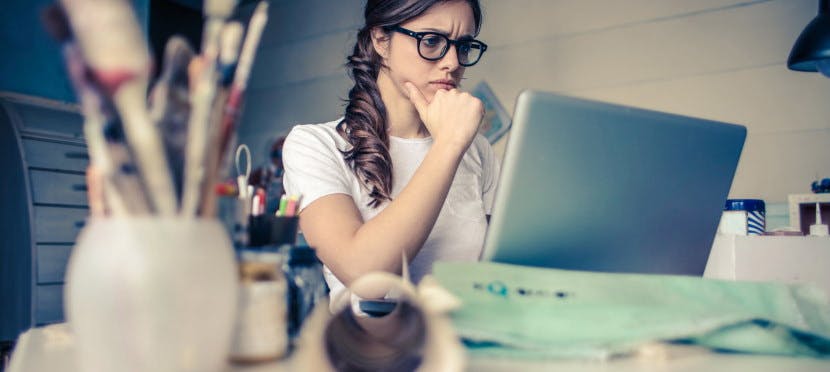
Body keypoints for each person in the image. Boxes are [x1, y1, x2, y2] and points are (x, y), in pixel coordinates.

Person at [282, 0, 498, 303]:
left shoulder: (478, 151)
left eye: (463, 46)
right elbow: (366, 278)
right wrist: (448, 145)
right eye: (432, 41)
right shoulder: (314, 145)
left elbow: (501, 272)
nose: (452, 63)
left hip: (467, 345)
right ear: (381, 40)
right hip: (373, 346)